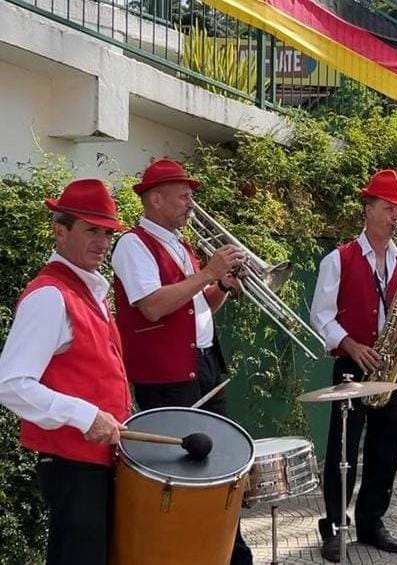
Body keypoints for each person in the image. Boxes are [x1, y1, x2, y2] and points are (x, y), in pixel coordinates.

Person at [111, 158, 252, 564]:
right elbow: (153, 306)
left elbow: (197, 307)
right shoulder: (134, 244)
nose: (191, 204)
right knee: (185, 475)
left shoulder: (181, 244)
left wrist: (221, 285)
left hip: (203, 364)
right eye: (184, 196)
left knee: (221, 464)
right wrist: (208, 273)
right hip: (168, 376)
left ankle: (227, 552)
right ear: (155, 199)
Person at [0, 179, 131, 565]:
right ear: (60, 231)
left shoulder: (89, 292)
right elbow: (10, 384)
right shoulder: (49, 295)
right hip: (72, 465)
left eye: (107, 233)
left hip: (95, 463)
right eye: (92, 231)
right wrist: (85, 415)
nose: (102, 242)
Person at [310, 169, 397, 562]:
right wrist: (350, 344)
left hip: (392, 365)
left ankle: (372, 521)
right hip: (353, 364)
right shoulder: (338, 259)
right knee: (342, 448)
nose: (396, 217)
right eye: (389, 208)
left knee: (387, 446)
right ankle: (334, 525)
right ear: (368, 209)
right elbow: (320, 315)